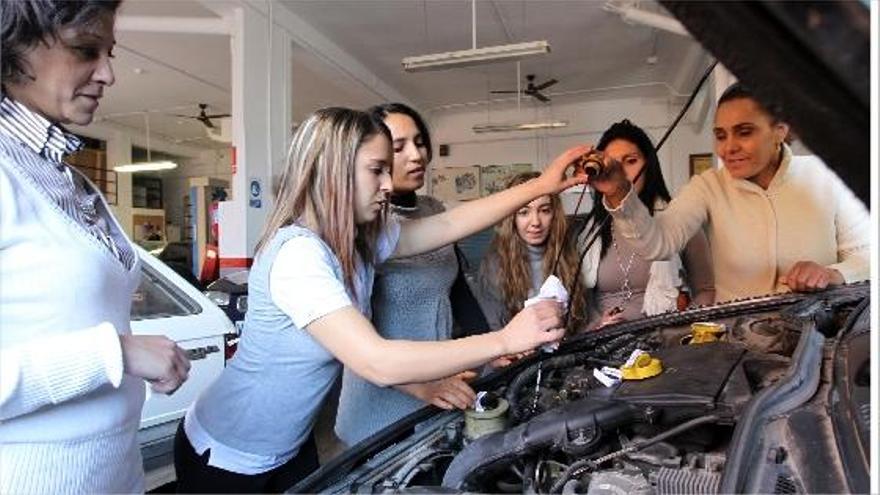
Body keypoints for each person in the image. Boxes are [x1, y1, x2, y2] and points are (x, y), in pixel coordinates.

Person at [174, 107, 589, 493]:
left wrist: (540, 185)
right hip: (227, 453)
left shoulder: (358, 239)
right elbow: (376, 360)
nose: (389, 185)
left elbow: (446, 224)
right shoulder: (299, 254)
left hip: (289, 445)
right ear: (332, 173)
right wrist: (505, 339)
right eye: (376, 170)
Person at [0, 2, 190, 493]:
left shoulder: (67, 173)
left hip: (114, 467)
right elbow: (106, 348)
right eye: (86, 50)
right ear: (10, 46)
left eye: (108, 53)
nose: (108, 74)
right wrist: (117, 352)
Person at [592, 83, 870, 302]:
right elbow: (657, 243)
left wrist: (832, 273)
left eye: (744, 132)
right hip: (739, 342)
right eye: (721, 135)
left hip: (821, 331)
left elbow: (868, 256)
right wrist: (619, 191)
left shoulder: (828, 176)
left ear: (780, 131)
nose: (728, 148)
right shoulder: (707, 186)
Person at [335, 103, 490, 447]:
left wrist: (492, 349)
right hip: (381, 402)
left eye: (419, 142)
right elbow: (351, 344)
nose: (416, 155)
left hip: (440, 391)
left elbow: (456, 292)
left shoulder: (432, 210)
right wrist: (418, 382)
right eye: (399, 146)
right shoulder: (364, 225)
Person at [580, 119, 715, 328]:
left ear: (648, 165)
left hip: (664, 341)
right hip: (602, 342)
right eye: (612, 163)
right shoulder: (589, 232)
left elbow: (706, 291)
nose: (620, 172)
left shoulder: (679, 219)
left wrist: (680, 330)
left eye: (630, 161)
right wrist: (596, 326)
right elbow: (582, 302)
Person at [476, 172, 589, 334]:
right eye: (524, 212)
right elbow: (493, 328)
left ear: (554, 215)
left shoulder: (572, 253)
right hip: (518, 352)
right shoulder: (494, 264)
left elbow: (582, 321)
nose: (535, 222)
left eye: (544, 211)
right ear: (512, 217)